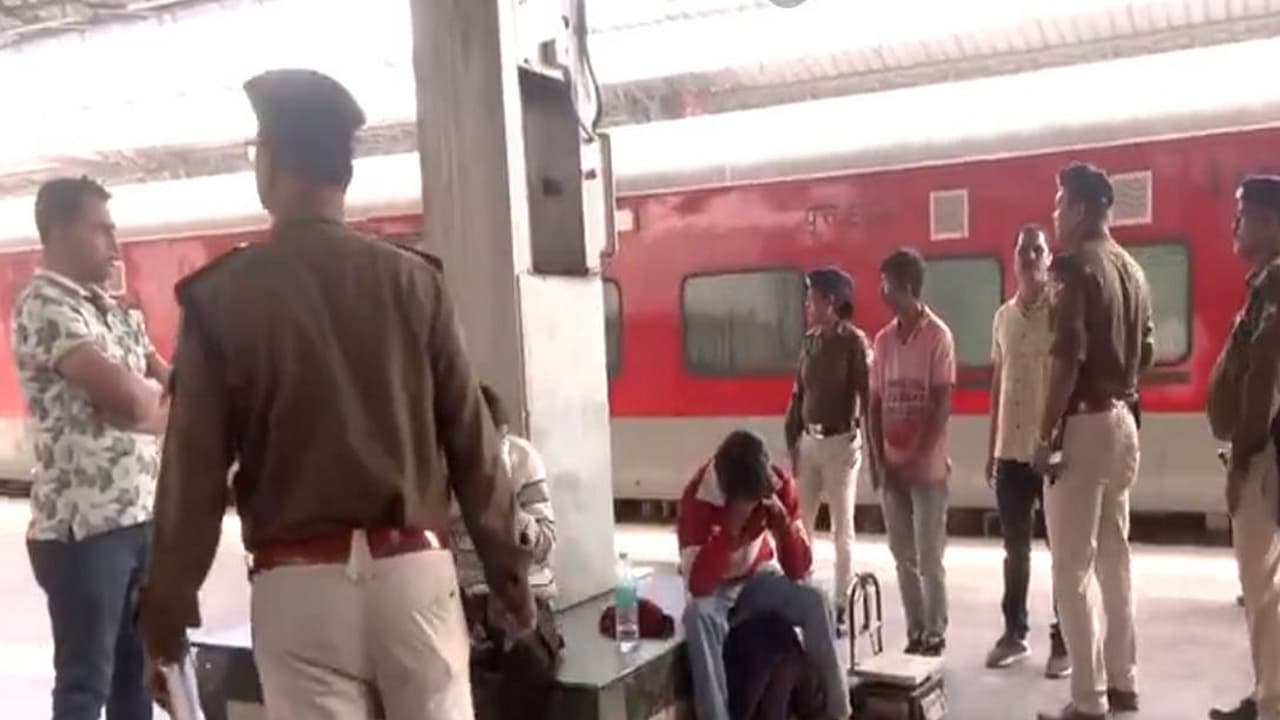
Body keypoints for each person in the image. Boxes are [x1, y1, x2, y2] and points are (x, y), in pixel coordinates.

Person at [137, 69, 534, 720]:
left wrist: (168, 606)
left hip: (299, 589)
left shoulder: (222, 298)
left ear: (269, 161)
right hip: (415, 578)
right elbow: (473, 440)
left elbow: (195, 470)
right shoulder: (416, 283)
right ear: (343, 174)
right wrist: (507, 572)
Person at [12, 176, 169, 720]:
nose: (115, 245)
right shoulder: (44, 307)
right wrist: (144, 406)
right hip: (83, 531)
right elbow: (130, 396)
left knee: (137, 683)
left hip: (138, 519)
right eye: (101, 230)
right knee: (85, 684)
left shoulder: (112, 310)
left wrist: (143, 410)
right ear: (58, 231)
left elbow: (176, 391)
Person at [1034, 163, 1153, 720]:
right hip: (1123, 421)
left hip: (1082, 426)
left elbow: (1066, 358)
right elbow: (1146, 351)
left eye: (1060, 205)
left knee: (1071, 570)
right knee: (1114, 560)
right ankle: (1124, 682)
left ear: (1080, 210)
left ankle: (1088, 699)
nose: (1055, 215)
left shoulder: (1074, 266)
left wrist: (1043, 435)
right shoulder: (1132, 269)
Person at [677, 430, 850, 720]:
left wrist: (785, 529)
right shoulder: (698, 499)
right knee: (697, 617)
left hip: (758, 576)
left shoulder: (777, 483)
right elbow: (698, 585)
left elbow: (799, 569)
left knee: (815, 600)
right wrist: (728, 533)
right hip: (716, 588)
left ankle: (837, 711)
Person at [1206, 175, 1280, 720]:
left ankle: (1271, 702)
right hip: (1265, 450)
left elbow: (1261, 377)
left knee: (1264, 587)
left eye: (1244, 214)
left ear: (1272, 223)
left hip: (1264, 456)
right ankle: (1266, 694)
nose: (1234, 224)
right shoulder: (1267, 284)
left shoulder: (1274, 285)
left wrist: (1241, 460)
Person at [984, 225, 1071, 678]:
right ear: (1014, 258)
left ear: (1048, 258)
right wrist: (990, 448)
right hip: (1010, 453)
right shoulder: (1003, 318)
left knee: (1062, 552)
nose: (1031, 257)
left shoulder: (1060, 314)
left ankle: (1064, 641)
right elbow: (998, 384)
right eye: (1024, 251)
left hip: (1049, 452)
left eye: (1038, 250)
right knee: (1014, 550)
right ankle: (1014, 633)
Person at [454, 384, 562, 720]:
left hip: (528, 597)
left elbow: (545, 542)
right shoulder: (441, 471)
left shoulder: (523, 460)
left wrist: (506, 508)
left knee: (529, 661)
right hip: (466, 601)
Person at [868, 247, 955, 657]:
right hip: (892, 468)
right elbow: (873, 404)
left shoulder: (938, 337)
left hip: (928, 471)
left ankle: (935, 632)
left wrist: (919, 458)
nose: (881, 290)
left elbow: (941, 403)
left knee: (928, 555)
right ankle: (916, 631)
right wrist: (878, 459)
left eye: (886, 283)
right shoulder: (883, 341)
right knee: (903, 555)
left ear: (905, 286)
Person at [783, 266, 871, 632]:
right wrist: (792, 440)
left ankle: (840, 604)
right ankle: (802, 595)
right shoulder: (810, 342)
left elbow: (867, 395)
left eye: (812, 299)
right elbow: (798, 394)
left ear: (830, 302)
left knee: (841, 529)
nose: (807, 305)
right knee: (801, 525)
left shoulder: (853, 343)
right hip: (810, 442)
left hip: (841, 444)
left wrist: (871, 448)